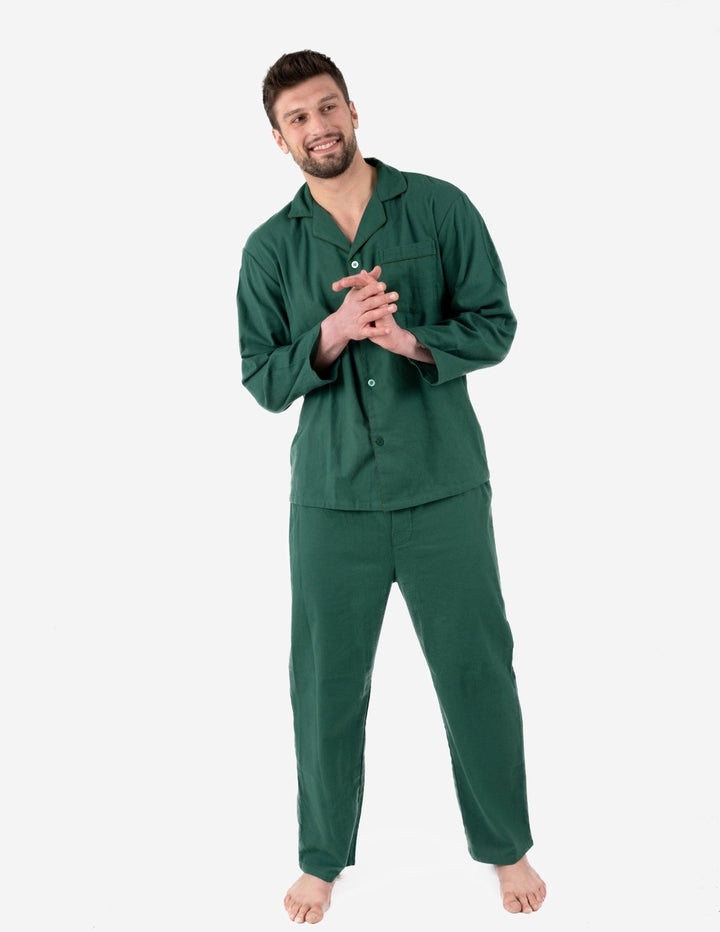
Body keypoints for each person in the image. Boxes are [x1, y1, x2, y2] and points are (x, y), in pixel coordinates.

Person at [236, 49, 547, 924]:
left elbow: (496, 324)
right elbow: (261, 378)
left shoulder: (440, 207)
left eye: (327, 106)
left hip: (443, 485)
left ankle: (506, 845)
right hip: (331, 500)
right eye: (297, 118)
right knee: (325, 684)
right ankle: (322, 858)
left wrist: (410, 341)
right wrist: (333, 332)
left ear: (353, 110)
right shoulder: (270, 247)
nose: (317, 126)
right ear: (278, 138)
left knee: (476, 670)